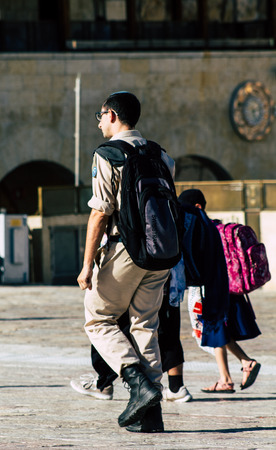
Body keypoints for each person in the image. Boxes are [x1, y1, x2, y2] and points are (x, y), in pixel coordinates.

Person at [77, 91, 175, 433]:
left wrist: (87, 265)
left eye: (101, 115)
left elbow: (100, 213)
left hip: (125, 250)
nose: (100, 121)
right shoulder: (161, 154)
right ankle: (151, 414)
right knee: (145, 325)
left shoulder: (108, 155)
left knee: (98, 317)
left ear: (113, 116)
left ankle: (137, 384)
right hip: (160, 253)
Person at [178, 189, 261, 394]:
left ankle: (226, 378)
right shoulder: (217, 225)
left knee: (212, 329)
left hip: (207, 288)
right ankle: (245, 363)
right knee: (217, 330)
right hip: (225, 288)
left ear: (196, 207)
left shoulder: (201, 228)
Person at [71, 274, 192, 403]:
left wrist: (87, 266)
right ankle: (174, 386)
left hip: (135, 269)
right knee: (162, 326)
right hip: (168, 268)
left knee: (106, 322)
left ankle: (107, 383)